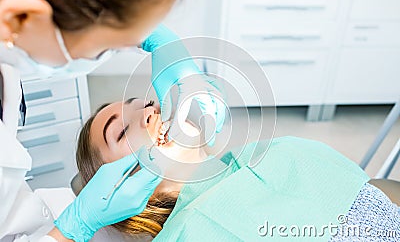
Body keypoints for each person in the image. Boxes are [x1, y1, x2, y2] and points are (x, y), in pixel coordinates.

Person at [0, 0, 226, 241]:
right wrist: (75, 227)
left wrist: (153, 38)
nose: (149, 111)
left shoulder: (282, 155)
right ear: (20, 17)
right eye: (120, 132)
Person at [75, 99, 400, 241]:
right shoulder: (187, 232)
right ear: (112, 189)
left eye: (143, 103)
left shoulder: (267, 152)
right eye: (120, 131)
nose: (150, 110)